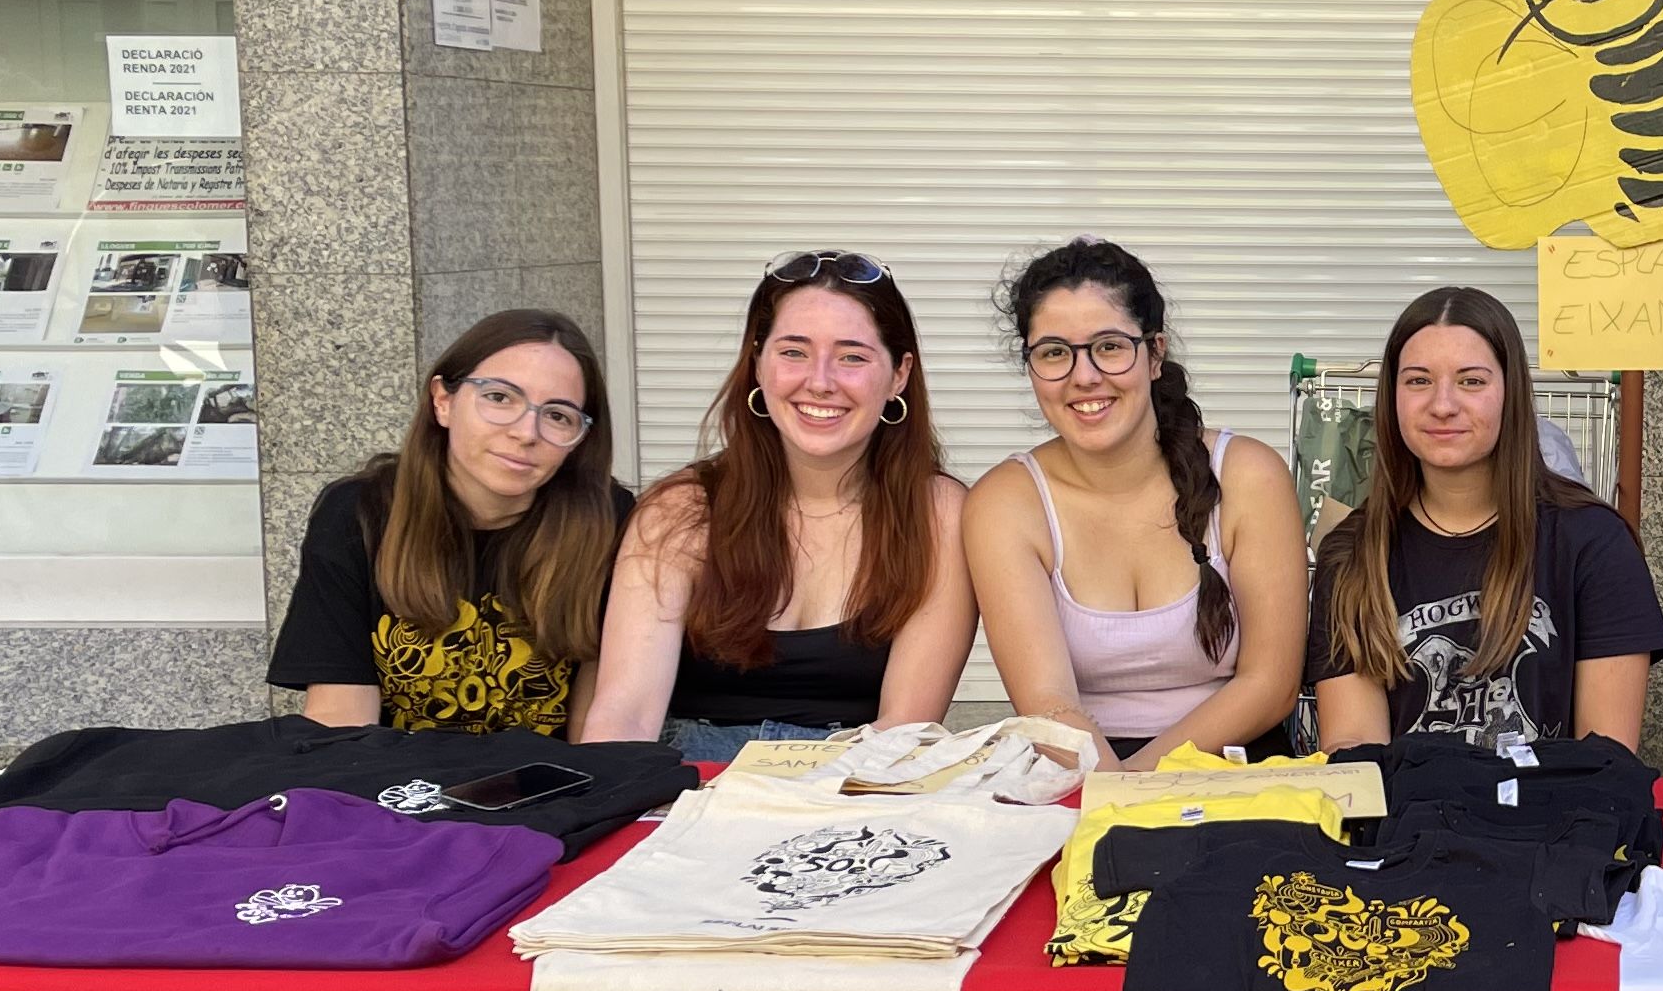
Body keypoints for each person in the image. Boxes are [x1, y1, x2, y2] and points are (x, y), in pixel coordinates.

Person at [582, 251, 976, 760]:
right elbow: (625, 714)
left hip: (852, 777)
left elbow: (902, 731)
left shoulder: (939, 514)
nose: (820, 381)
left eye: (853, 356)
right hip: (683, 777)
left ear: (898, 375)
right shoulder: (681, 510)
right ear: (757, 363)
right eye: (794, 352)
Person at [962, 236, 1305, 767]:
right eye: (1054, 352)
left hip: (1234, 761)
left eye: (1109, 346)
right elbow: (1049, 704)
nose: (1084, 376)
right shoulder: (1005, 502)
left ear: (1155, 355)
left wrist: (1136, 789)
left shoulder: (1248, 475)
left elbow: (1270, 684)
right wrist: (1111, 797)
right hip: (1075, 764)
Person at [1307, 285, 1663, 752]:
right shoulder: (1353, 554)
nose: (1442, 404)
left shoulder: (1593, 543)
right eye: (1418, 381)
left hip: (1551, 817)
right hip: (1408, 820)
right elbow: (1357, 750)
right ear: (1391, 397)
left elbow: (1605, 756)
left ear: (1510, 393)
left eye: (1471, 381)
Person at [269, 306, 627, 735]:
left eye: (557, 415)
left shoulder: (609, 520)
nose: (526, 433)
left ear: (579, 438)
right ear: (443, 401)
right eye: (499, 397)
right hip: (391, 787)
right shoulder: (359, 514)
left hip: (550, 792)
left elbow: (598, 732)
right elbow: (340, 723)